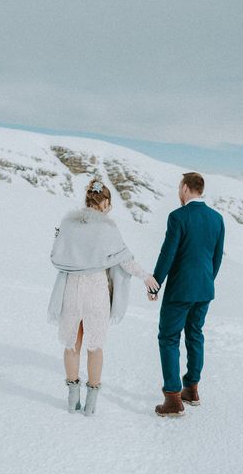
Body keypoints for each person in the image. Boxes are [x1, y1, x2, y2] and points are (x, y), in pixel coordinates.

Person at [48, 178, 160, 416]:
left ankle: (72, 397)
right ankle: (91, 402)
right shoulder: (108, 228)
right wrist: (146, 277)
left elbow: (56, 256)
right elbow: (125, 261)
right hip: (96, 289)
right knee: (95, 345)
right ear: (105, 201)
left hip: (72, 287)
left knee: (72, 343)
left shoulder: (68, 224)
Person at [149, 172, 225, 417]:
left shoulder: (178, 217)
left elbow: (168, 253)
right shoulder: (217, 218)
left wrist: (155, 283)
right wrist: (205, 282)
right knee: (195, 334)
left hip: (180, 289)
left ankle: (172, 399)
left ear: (184, 188)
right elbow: (216, 257)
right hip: (204, 289)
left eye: (178, 187)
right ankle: (191, 389)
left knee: (169, 338)